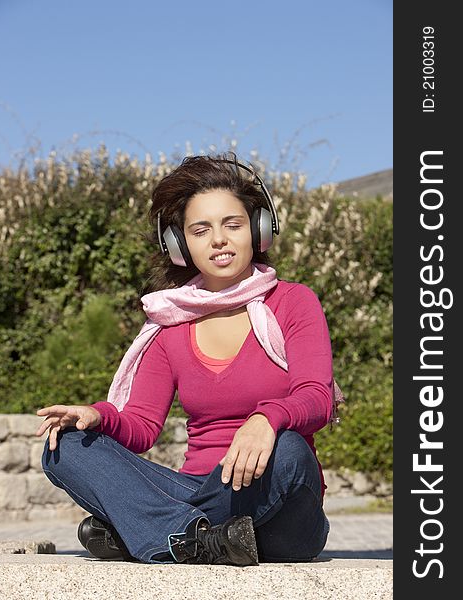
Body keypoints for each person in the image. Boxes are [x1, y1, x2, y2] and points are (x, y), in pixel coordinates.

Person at [36, 151, 342, 566]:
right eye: (200, 230)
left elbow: (317, 398)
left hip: (281, 508)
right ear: (180, 245)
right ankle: (198, 540)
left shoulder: (293, 301)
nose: (218, 239)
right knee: (66, 447)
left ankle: (156, 532)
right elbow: (142, 425)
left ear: (258, 231)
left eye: (232, 225)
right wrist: (97, 416)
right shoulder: (170, 324)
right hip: (195, 489)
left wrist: (265, 419)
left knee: (288, 449)